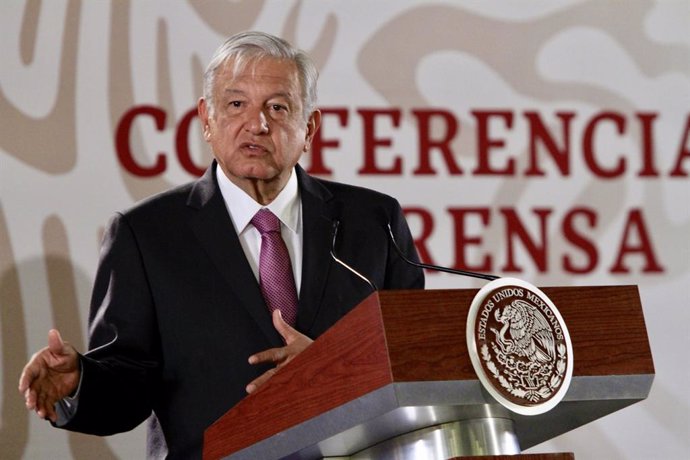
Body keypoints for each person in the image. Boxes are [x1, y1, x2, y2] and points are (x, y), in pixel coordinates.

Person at [18, 31, 424, 459]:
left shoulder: (374, 222)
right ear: (206, 120)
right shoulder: (146, 234)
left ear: (309, 128)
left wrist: (334, 370)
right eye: (236, 105)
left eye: (278, 107)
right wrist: (79, 383)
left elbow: (415, 360)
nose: (257, 124)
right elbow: (128, 382)